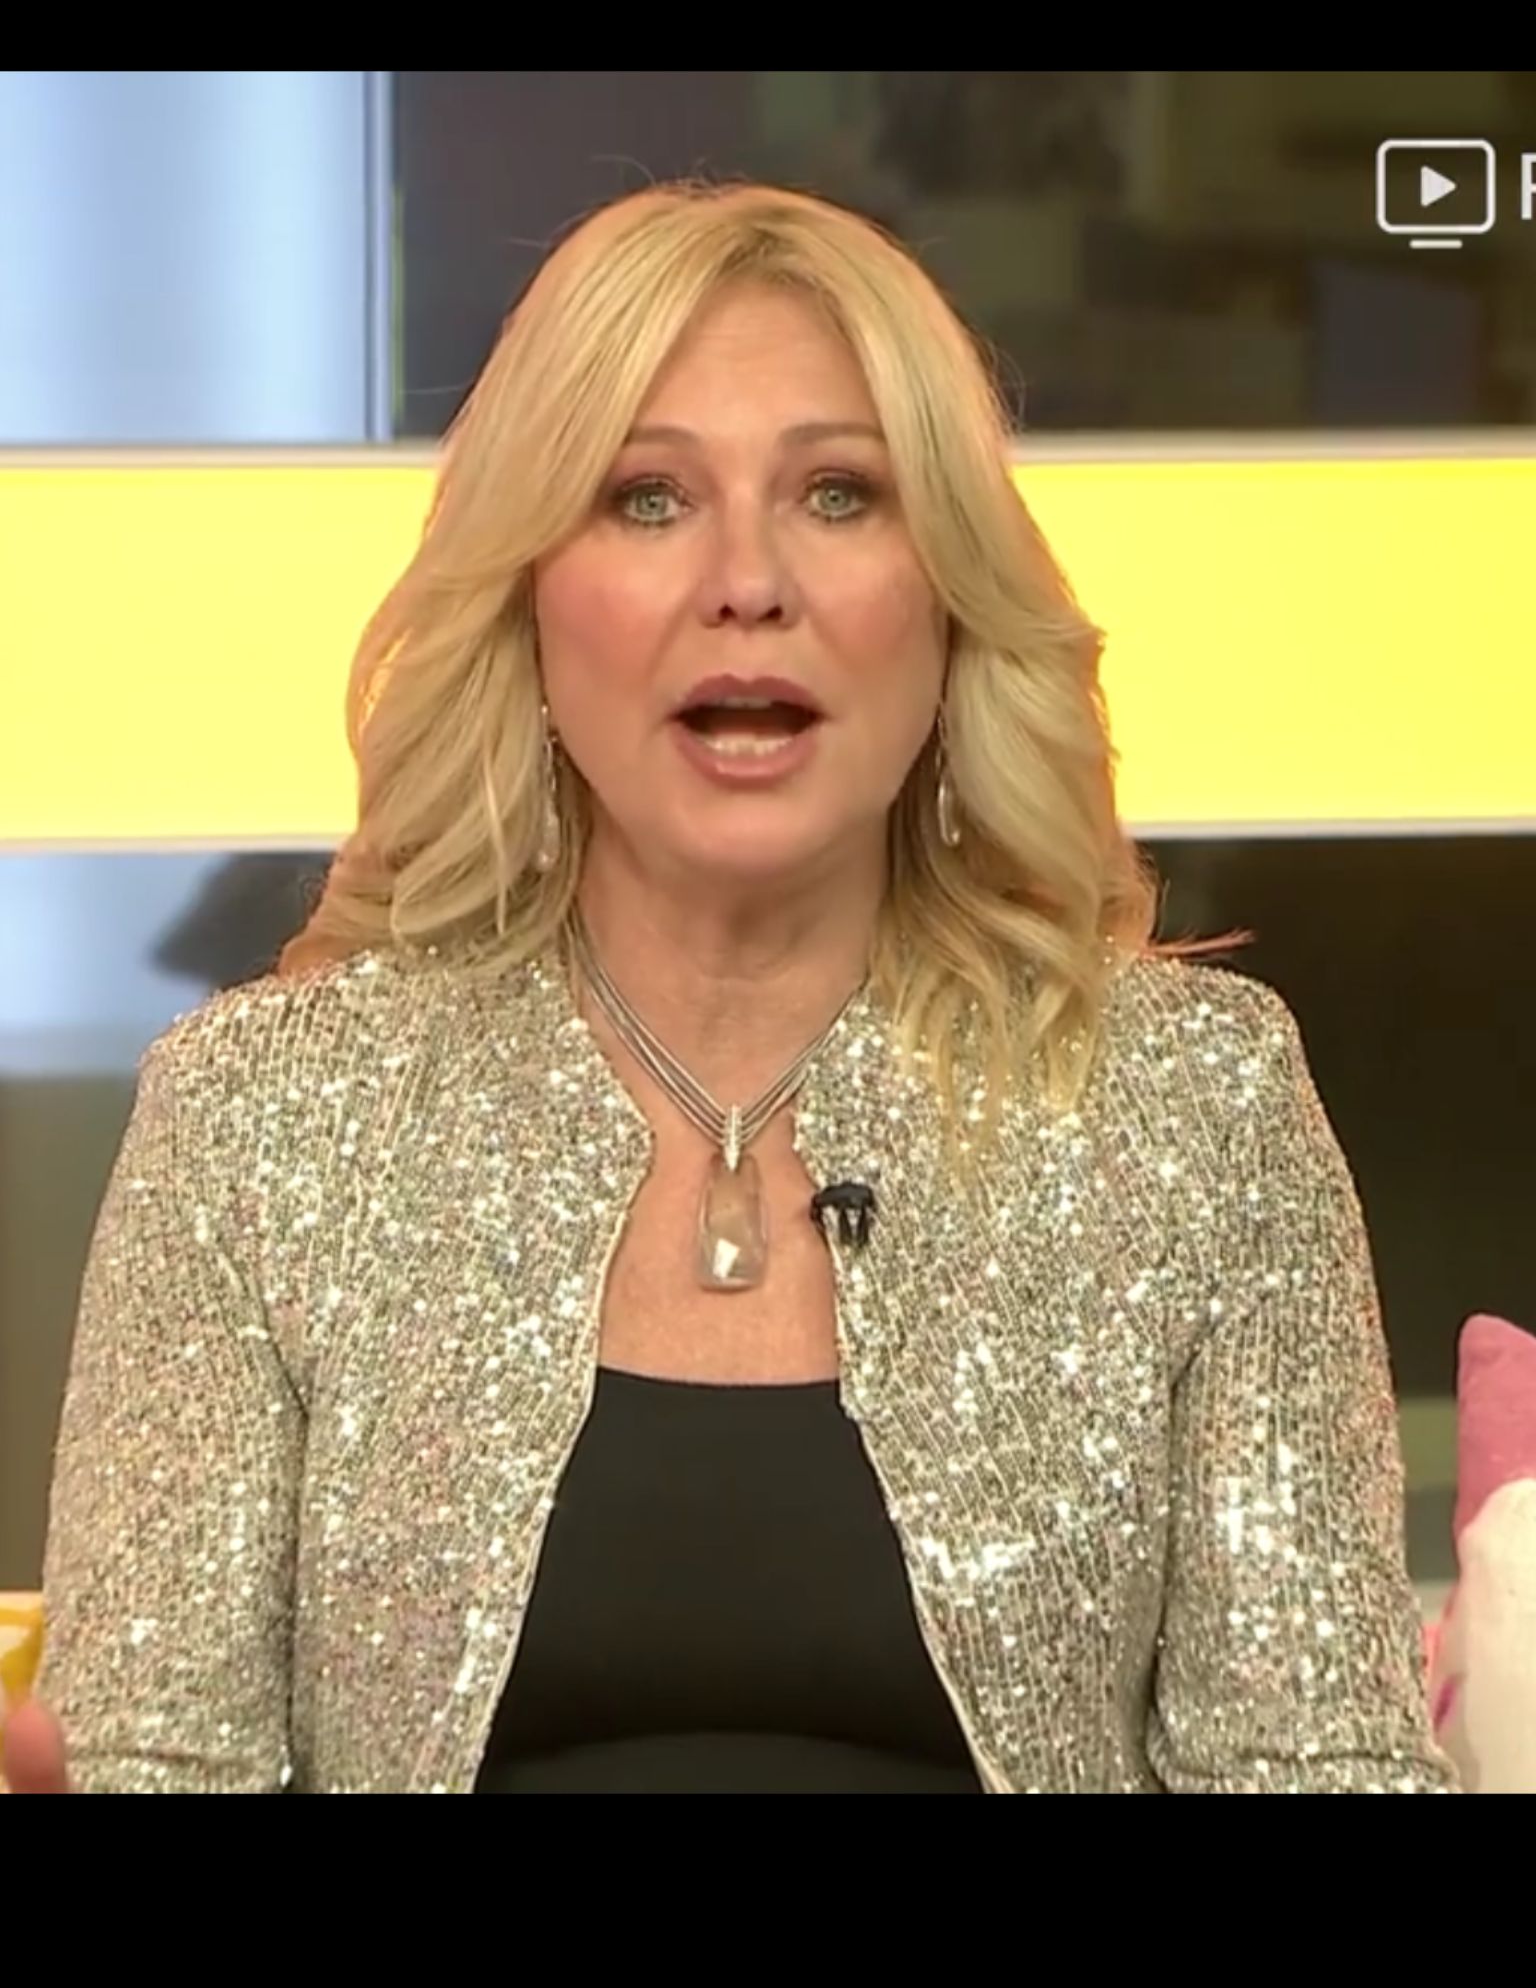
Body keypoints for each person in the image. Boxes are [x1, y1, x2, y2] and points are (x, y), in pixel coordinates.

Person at [4, 179, 1455, 1794]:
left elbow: (1315, 1768)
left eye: (839, 493)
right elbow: (151, 1763)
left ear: (948, 599)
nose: (747, 581)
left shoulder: (1198, 1108)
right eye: (646, 498)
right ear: (529, 600)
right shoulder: (258, 1122)